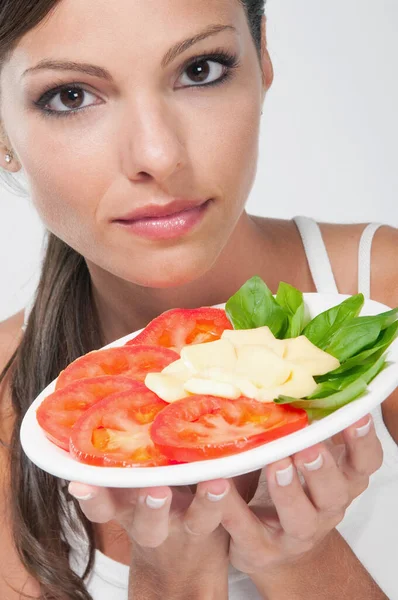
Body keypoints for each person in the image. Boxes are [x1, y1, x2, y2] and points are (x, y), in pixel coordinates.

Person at [0, 1, 397, 598]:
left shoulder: (385, 291)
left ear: (262, 57)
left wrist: (298, 558)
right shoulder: (9, 407)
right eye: (72, 96)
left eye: (201, 69)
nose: (158, 156)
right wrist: (169, 579)